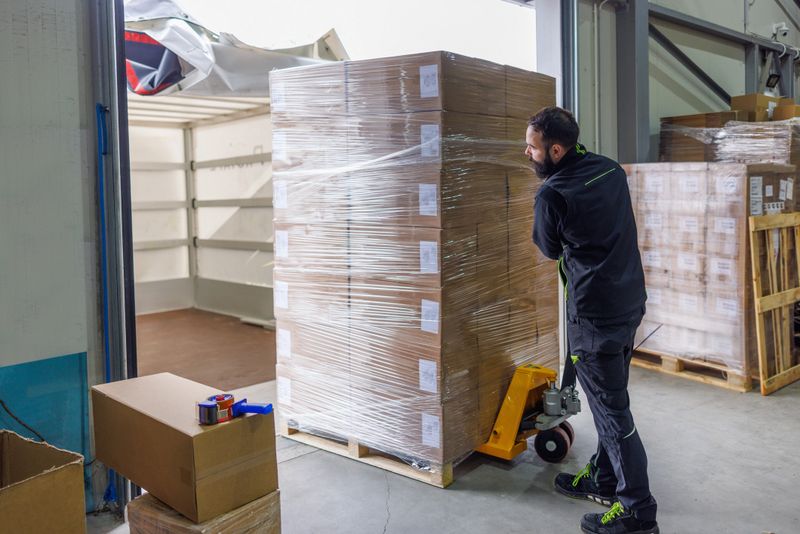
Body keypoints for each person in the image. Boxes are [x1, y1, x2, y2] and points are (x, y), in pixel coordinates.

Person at [525, 106, 658, 534]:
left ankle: (637, 512)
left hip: (595, 316)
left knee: (613, 415)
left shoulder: (552, 195)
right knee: (610, 403)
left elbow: (548, 249)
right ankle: (604, 477)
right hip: (629, 302)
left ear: (556, 150)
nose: (526, 154)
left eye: (532, 147)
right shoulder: (610, 171)